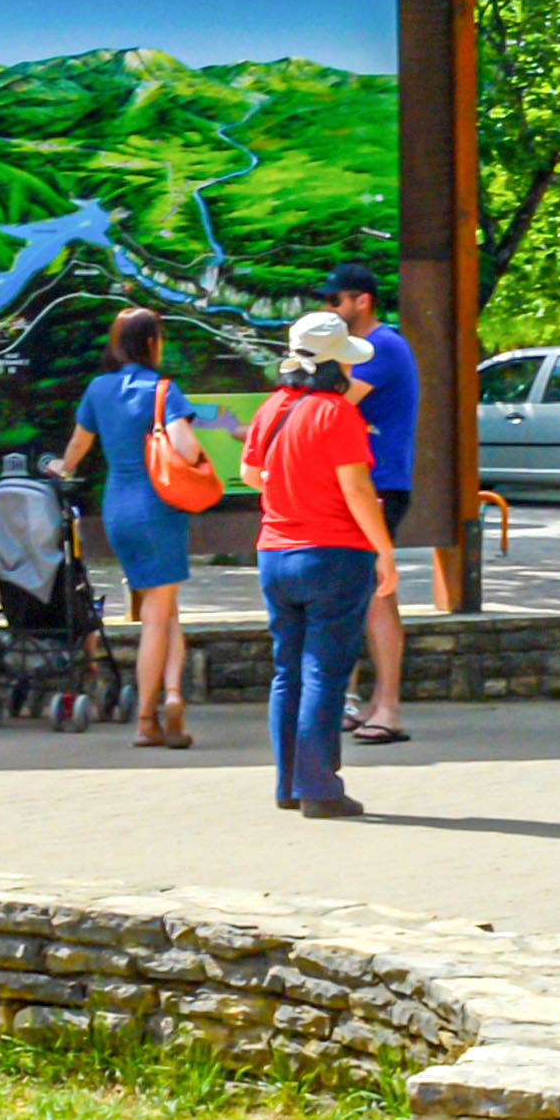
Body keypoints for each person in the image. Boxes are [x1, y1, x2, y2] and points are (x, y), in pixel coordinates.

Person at [249, 310, 395, 820]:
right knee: (324, 674)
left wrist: (290, 487)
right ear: (335, 365)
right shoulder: (338, 414)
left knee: (286, 672)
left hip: (275, 553)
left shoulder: (274, 408)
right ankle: (320, 789)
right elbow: (356, 489)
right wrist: (384, 551)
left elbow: (251, 472)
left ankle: (288, 784)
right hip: (334, 554)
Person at [56, 304, 201, 748]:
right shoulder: (163, 390)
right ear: (152, 342)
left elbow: (78, 445)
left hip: (119, 508)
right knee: (158, 616)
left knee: (164, 607)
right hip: (160, 508)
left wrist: (62, 468)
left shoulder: (98, 389)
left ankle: (171, 697)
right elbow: (187, 447)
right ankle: (149, 715)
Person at [318, 264, 421, 748]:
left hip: (378, 484)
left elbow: (336, 405)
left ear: (362, 301)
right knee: (356, 595)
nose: (328, 309)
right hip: (354, 481)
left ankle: (390, 708)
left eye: (335, 301)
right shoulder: (354, 351)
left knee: (378, 595)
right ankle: (355, 701)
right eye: (325, 302)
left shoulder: (383, 347)